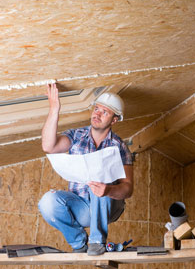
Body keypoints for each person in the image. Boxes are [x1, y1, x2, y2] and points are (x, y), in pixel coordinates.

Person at [38, 84, 133, 256]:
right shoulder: (76, 136)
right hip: (81, 206)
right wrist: (54, 109)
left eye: (104, 112)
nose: (97, 114)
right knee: (47, 201)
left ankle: (97, 242)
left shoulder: (120, 147)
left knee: (99, 177)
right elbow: (48, 146)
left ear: (114, 120)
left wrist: (108, 190)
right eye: (96, 109)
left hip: (108, 206)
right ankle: (79, 242)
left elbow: (128, 188)